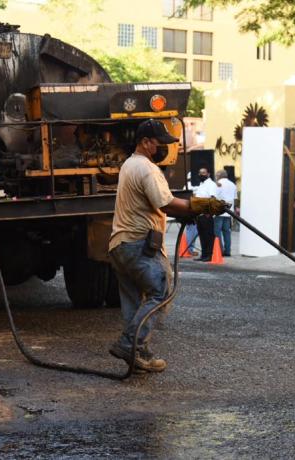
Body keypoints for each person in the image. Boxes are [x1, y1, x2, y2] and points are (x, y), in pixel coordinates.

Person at [109, 119, 227, 373]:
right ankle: (130, 342)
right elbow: (166, 203)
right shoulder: (146, 168)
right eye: (159, 143)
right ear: (145, 142)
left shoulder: (129, 165)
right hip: (138, 244)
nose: (163, 147)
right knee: (161, 293)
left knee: (135, 300)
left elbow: (159, 202)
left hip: (120, 245)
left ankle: (137, 353)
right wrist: (206, 206)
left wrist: (189, 208)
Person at [193, 167, 218, 262]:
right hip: (199, 214)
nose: (201, 175)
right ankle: (203, 255)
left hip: (207, 214)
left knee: (208, 235)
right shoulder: (201, 184)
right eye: (200, 173)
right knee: (202, 235)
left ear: (208, 174)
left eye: (203, 173)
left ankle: (209, 255)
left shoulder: (211, 184)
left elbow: (213, 198)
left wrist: (208, 212)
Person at [214, 169, 237, 257]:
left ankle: (219, 250)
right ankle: (227, 251)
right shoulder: (233, 184)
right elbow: (235, 199)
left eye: (216, 176)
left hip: (219, 211)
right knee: (227, 232)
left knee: (217, 232)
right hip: (229, 212)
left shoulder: (217, 184)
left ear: (219, 176)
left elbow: (214, 197)